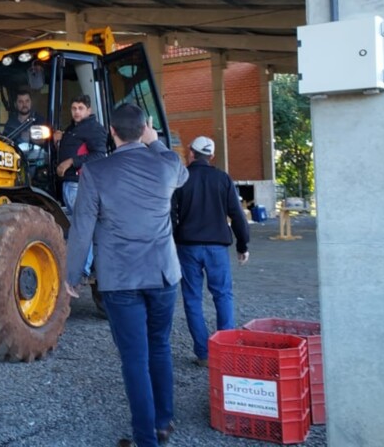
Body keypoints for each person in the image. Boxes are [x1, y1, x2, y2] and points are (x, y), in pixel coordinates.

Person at [65, 103, 189, 447]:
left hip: (120, 280)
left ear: (111, 133)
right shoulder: (166, 164)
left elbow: (82, 228)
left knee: (134, 358)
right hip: (164, 275)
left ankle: (145, 438)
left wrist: (72, 275)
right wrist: (155, 141)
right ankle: (163, 423)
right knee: (160, 347)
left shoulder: (96, 172)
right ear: (145, 129)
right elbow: (183, 174)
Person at [172, 136, 251, 368]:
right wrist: (242, 245)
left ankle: (204, 354)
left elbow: (170, 215)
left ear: (191, 152)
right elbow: (237, 215)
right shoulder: (222, 178)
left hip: (187, 248)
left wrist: (173, 239)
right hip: (217, 248)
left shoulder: (181, 179)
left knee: (192, 299)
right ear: (211, 156)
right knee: (223, 295)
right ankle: (226, 352)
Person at [53, 94, 108, 280]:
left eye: (80, 108)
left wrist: (70, 162)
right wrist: (59, 140)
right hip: (70, 185)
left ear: (89, 110)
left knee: (84, 227)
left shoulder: (93, 128)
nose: (77, 112)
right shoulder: (74, 128)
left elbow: (100, 156)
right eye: (74, 108)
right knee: (78, 226)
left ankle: (83, 269)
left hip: (81, 185)